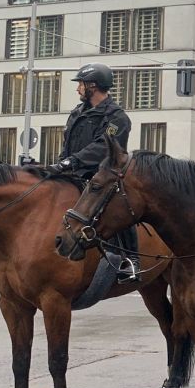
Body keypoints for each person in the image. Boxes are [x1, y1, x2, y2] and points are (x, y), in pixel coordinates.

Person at [46, 62, 136, 282]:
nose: (78, 89)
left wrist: (71, 162)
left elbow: (101, 147)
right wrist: (61, 164)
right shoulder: (77, 113)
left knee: (123, 207)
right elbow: (68, 144)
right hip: (73, 172)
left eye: (81, 85)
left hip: (103, 176)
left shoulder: (117, 117)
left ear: (93, 86)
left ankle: (130, 260)